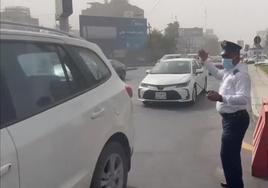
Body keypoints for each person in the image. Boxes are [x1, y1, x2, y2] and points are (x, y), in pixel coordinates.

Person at [198, 41, 251, 188]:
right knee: (230, 156)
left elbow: (243, 99)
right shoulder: (231, 70)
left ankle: (235, 185)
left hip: (236, 120)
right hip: (230, 120)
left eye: (226, 56)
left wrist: (221, 98)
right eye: (222, 56)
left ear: (235, 56)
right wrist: (205, 60)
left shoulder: (241, 74)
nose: (223, 59)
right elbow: (218, 73)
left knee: (228, 156)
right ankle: (232, 182)